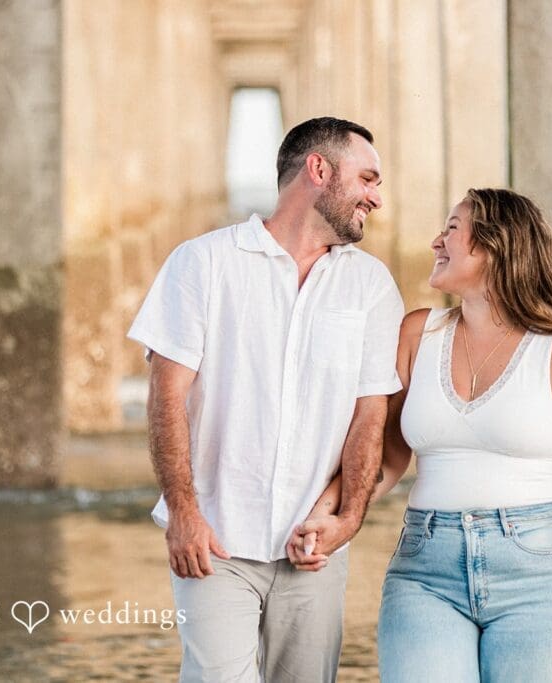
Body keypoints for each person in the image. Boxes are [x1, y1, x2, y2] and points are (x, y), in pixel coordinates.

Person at [292, 188, 552, 683]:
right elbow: (385, 459)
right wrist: (328, 515)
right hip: (425, 569)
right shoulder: (417, 334)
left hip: (541, 577)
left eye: (452, 229)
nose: (436, 241)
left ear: (496, 247)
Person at [128, 117, 404, 682]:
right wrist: (183, 513)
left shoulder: (371, 285)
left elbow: (370, 415)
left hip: (314, 550)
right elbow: (166, 398)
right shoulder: (202, 262)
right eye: (368, 179)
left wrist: (347, 518)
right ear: (318, 169)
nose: (376, 197)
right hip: (214, 543)